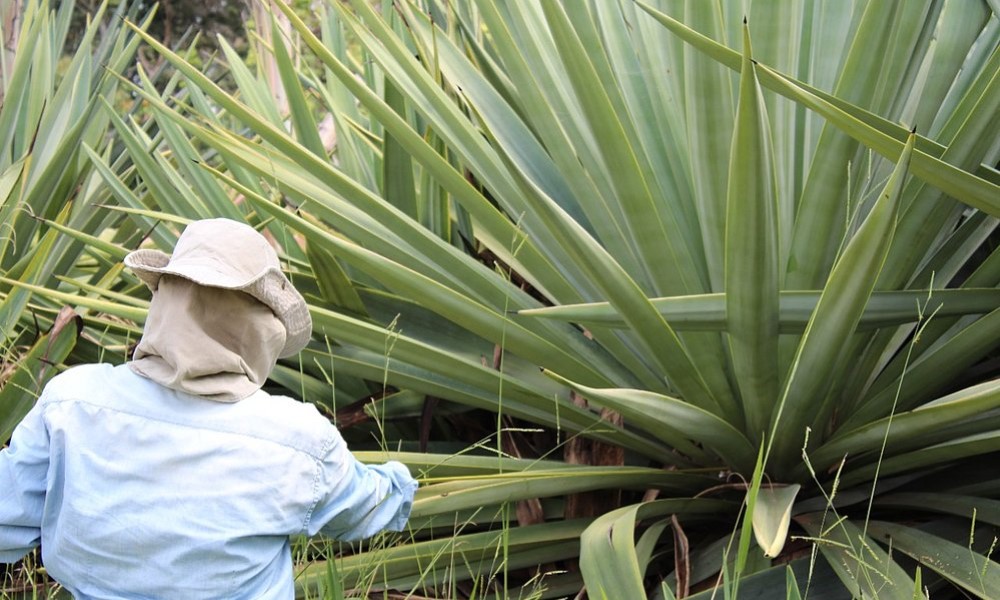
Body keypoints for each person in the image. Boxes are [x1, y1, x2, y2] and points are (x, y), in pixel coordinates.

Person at [0, 218, 417, 599]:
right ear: (261, 327)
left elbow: (6, 516)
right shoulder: (299, 440)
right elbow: (366, 509)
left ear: (165, 299)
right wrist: (405, 484)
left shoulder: (71, 403)